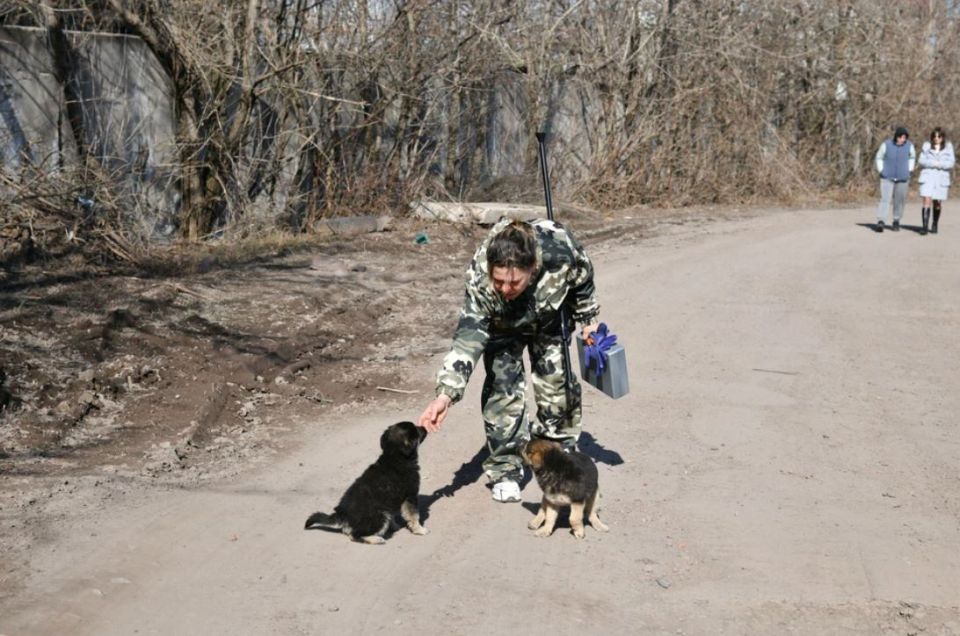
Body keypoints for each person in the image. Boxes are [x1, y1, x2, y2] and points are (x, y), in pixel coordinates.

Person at [417, 217, 600, 503]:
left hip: (548, 318)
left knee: (557, 388)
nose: (505, 288)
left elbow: (583, 280)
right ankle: (505, 470)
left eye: (514, 281)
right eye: (499, 280)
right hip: (502, 325)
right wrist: (445, 395)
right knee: (503, 391)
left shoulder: (560, 251)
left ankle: (558, 455)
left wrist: (588, 320)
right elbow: (467, 340)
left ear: (533, 268)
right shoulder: (480, 281)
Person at [874, 126, 916, 233]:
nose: (903, 139)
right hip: (887, 176)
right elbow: (879, 157)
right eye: (901, 137)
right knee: (885, 199)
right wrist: (881, 170)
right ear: (896, 136)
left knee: (899, 200)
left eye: (905, 137)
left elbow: (912, 157)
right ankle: (881, 221)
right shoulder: (886, 145)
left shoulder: (909, 146)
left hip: (903, 177)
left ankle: (896, 220)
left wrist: (910, 170)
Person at [917, 127, 955, 235]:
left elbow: (951, 163)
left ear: (942, 137)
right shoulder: (926, 146)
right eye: (934, 136)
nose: (936, 138)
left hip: (941, 177)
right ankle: (924, 227)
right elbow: (921, 160)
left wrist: (940, 165)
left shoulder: (948, 147)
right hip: (928, 176)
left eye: (939, 136)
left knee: (937, 202)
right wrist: (932, 163)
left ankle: (934, 223)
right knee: (926, 199)